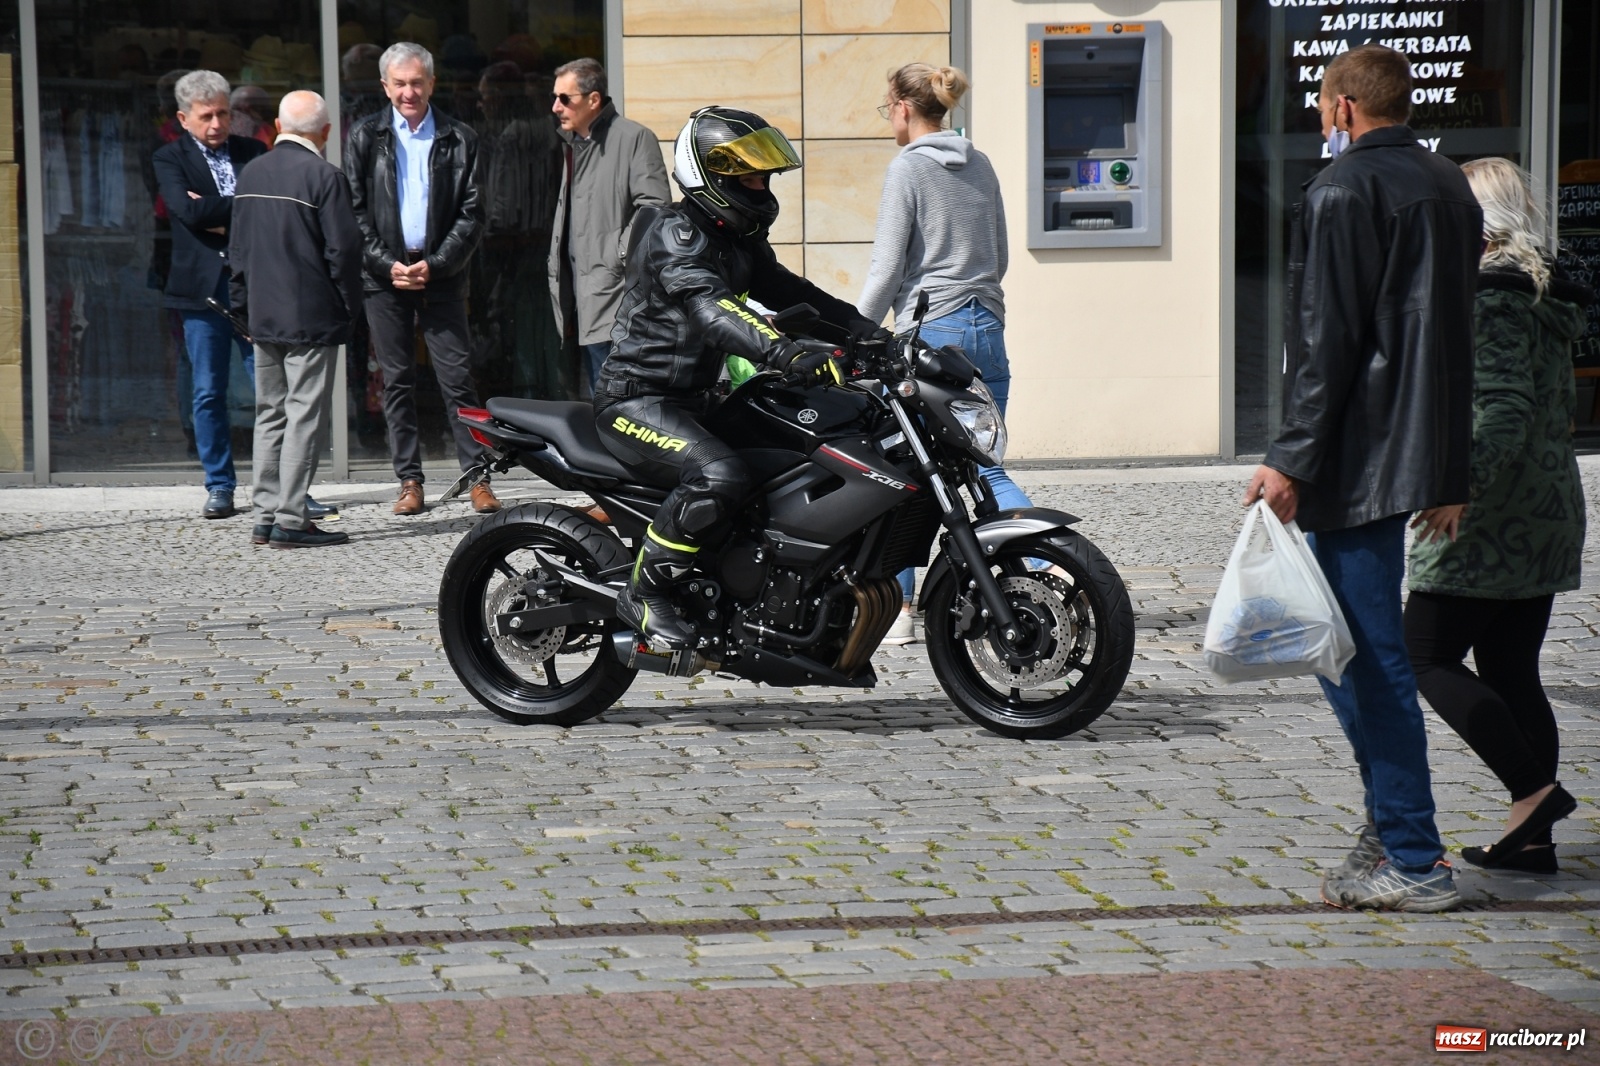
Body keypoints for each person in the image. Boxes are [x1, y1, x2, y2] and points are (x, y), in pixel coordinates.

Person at [1245, 44, 1481, 912]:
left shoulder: (1343, 190)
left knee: (1362, 659)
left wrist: (1290, 458)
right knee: (1349, 652)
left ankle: (1411, 852)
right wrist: (1448, 468)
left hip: (1355, 454)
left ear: (1344, 108)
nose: (1319, 120)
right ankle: (1392, 827)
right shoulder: (1447, 182)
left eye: (1320, 107)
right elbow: (1453, 340)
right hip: (1411, 447)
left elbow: (1326, 341)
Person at [596, 106, 887, 651]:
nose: (762, 187)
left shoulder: (739, 240)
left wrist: (869, 334)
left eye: (765, 176)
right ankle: (645, 591)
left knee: (790, 453)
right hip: (638, 400)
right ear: (713, 178)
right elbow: (715, 311)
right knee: (720, 475)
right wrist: (784, 352)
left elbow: (794, 294)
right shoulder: (676, 236)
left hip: (702, 400)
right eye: (751, 177)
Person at [1405, 158, 1589, 874]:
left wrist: (1457, 487)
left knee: (1422, 654)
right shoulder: (1544, 292)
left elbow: (1502, 412)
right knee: (1512, 670)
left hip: (1492, 517)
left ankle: (1533, 793)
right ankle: (1532, 841)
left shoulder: (1493, 294)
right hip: (1545, 507)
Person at [858, 62, 1024, 646]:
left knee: (897, 470)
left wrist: (856, 330)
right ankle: (1038, 568)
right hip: (987, 324)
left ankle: (898, 610)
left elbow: (887, 267)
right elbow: (999, 254)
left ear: (904, 108)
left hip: (930, 334)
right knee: (980, 462)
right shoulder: (980, 163)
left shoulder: (906, 169)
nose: (890, 119)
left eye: (888, 108)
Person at [344, 41, 500, 516]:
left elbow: (474, 213)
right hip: (385, 277)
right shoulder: (365, 137)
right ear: (385, 87)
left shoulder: (460, 137)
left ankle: (478, 478)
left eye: (417, 82)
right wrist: (385, 263)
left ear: (431, 83)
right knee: (396, 382)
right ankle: (409, 481)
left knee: (458, 381)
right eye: (400, 83)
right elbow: (353, 210)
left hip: (442, 276)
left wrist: (436, 264)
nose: (409, 92)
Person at [228, 91, 364, 549]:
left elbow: (238, 251)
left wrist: (242, 308)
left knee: (270, 414)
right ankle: (291, 518)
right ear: (325, 133)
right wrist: (349, 307)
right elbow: (344, 251)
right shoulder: (325, 176)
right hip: (311, 315)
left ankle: (266, 515)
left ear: (276, 125)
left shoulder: (251, 172)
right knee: (304, 415)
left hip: (263, 314)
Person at [151, 70, 267, 519]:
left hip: (253, 286)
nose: (217, 124)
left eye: (223, 113)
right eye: (207, 116)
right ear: (184, 118)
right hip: (200, 291)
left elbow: (265, 211)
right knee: (208, 392)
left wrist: (215, 211)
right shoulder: (169, 158)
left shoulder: (253, 150)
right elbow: (184, 211)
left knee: (269, 390)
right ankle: (220, 485)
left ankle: (280, 485)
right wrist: (238, 207)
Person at [547, 57, 670, 392]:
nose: (557, 107)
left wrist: (617, 254)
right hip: (582, 296)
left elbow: (655, 207)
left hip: (616, 297)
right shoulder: (573, 143)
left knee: (616, 401)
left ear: (593, 100)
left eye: (565, 98)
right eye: (555, 98)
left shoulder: (633, 138)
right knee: (597, 401)